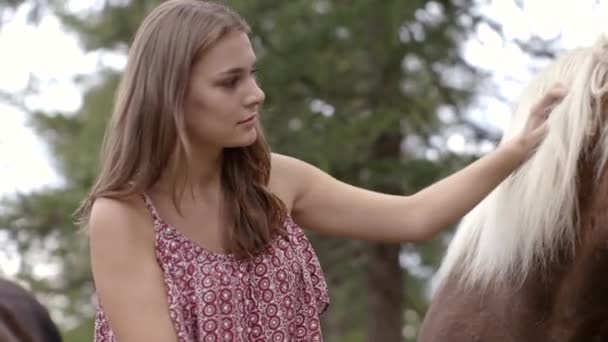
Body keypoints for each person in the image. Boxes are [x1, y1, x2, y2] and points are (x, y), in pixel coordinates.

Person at [79, 0, 566, 341]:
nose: (255, 93)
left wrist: (516, 150)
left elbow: (413, 217)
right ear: (171, 98)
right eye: (230, 82)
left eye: (252, 72)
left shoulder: (277, 181)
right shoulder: (124, 218)